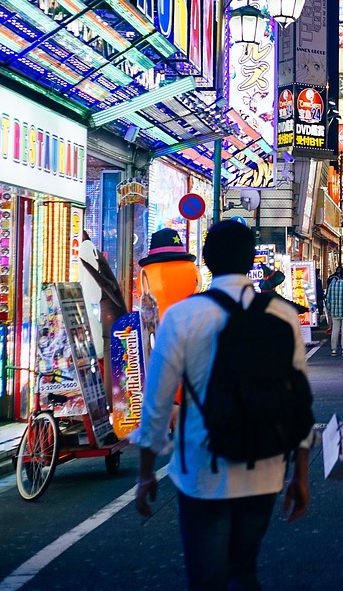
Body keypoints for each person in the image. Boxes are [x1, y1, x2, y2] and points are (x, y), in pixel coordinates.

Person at [132, 219, 312, 591]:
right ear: (252, 260)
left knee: (206, 579)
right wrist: (301, 474)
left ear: (206, 260)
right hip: (265, 465)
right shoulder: (283, 315)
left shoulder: (182, 316)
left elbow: (157, 402)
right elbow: (298, 399)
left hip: (202, 466)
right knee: (244, 572)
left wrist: (146, 471)